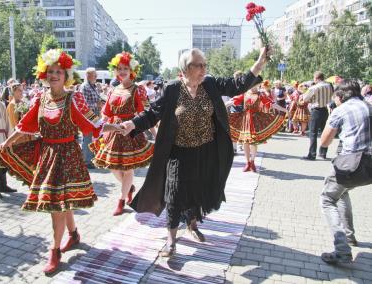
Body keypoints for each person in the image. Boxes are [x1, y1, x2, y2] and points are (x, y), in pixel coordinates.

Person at [119, 47, 270, 257]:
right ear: (185, 68)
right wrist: (132, 124)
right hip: (178, 153)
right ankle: (171, 241)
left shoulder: (210, 84)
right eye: (198, 65)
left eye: (204, 64)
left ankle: (192, 225)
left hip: (206, 151)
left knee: (197, 191)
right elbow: (153, 113)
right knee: (174, 194)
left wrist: (260, 61)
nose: (203, 69)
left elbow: (238, 85)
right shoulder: (172, 89)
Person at [0, 49, 120, 274]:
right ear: (44, 73)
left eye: (58, 72)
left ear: (66, 75)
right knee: (61, 202)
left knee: (56, 206)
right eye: (50, 71)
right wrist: (8, 142)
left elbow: (93, 124)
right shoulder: (40, 99)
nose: (54, 75)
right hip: (47, 154)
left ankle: (55, 251)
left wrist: (117, 127)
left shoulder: (73, 97)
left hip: (68, 156)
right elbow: (25, 125)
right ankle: (73, 236)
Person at [90, 52, 155, 216]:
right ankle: (129, 187)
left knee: (127, 169)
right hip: (112, 133)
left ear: (131, 70)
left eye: (125, 68)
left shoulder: (138, 90)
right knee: (113, 167)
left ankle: (121, 200)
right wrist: (99, 130)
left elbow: (146, 114)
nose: (122, 71)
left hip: (131, 132)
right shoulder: (113, 90)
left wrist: (155, 133)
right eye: (119, 68)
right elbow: (105, 113)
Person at [319, 80, 371, 264]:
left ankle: (342, 249)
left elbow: (324, 142)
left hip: (352, 162)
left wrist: (331, 118)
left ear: (339, 97)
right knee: (341, 192)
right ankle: (349, 236)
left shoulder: (341, 109)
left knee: (327, 199)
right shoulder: (369, 105)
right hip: (369, 164)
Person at [227, 84, 286, 172]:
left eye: (255, 85)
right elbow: (233, 101)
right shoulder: (244, 94)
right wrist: (221, 106)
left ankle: (253, 161)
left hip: (255, 119)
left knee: (253, 142)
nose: (253, 87)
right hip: (245, 119)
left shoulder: (260, 94)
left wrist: (285, 110)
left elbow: (271, 104)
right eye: (252, 85)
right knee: (245, 142)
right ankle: (247, 163)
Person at [302, 71, 334, 160]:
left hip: (316, 110)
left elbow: (305, 98)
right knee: (325, 132)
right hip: (325, 110)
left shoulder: (314, 87)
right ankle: (323, 153)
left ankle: (312, 154)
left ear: (316, 78)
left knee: (313, 133)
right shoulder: (330, 86)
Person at [79, 67, 102, 168]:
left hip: (94, 115)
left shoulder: (93, 86)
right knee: (87, 138)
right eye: (94, 75)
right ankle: (86, 161)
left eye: (96, 75)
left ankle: (90, 159)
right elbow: (83, 104)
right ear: (88, 75)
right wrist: (97, 105)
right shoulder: (85, 87)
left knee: (93, 137)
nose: (96, 76)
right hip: (88, 116)